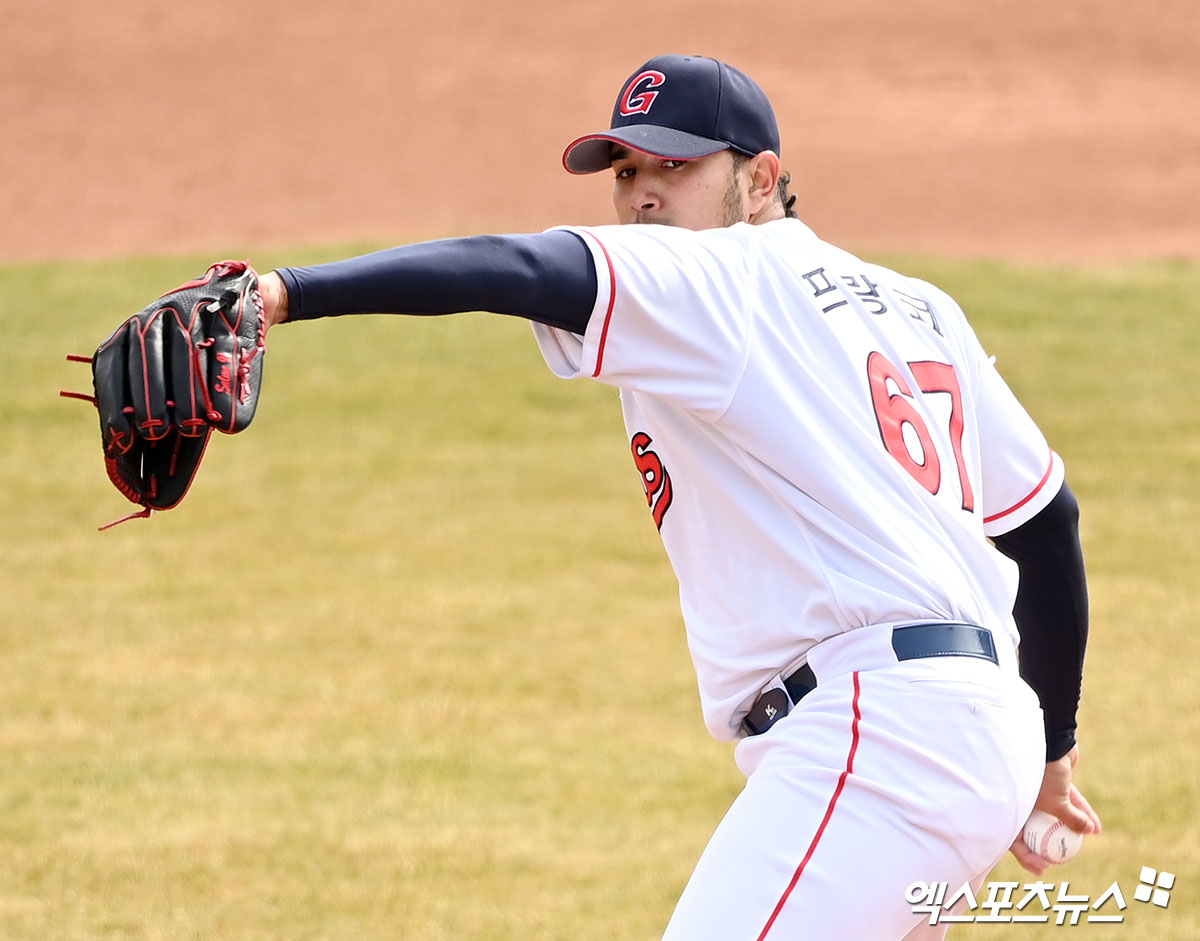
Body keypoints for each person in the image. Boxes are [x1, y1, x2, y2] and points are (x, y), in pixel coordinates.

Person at [252, 53, 1098, 938]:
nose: (643, 194)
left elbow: (520, 267)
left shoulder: (723, 276)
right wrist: (1050, 748)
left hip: (882, 737)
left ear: (761, 179)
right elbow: (1047, 523)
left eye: (676, 166)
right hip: (975, 722)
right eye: (626, 172)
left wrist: (286, 294)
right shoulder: (918, 305)